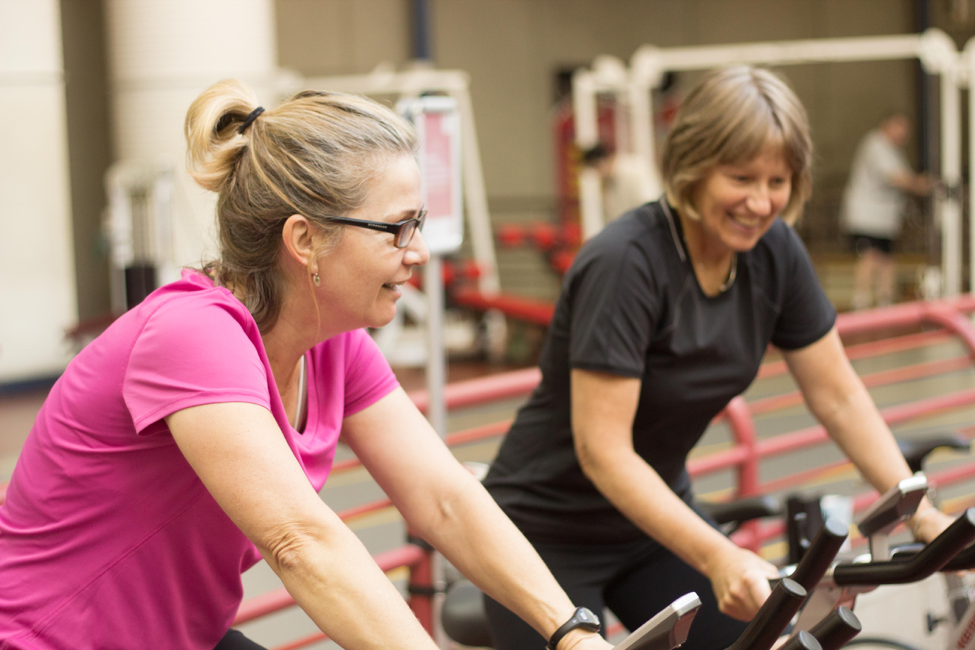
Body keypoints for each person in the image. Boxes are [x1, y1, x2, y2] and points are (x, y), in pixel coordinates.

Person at [0, 80, 614, 650]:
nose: (419, 251)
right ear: (305, 241)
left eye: (418, 224)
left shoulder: (333, 343)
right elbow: (299, 541)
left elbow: (443, 496)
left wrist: (571, 631)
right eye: (398, 228)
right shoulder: (194, 335)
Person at [483, 67, 955, 650]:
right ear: (693, 167)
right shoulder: (626, 263)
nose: (760, 202)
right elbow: (602, 452)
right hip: (542, 532)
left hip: (651, 523)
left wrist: (922, 513)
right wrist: (717, 553)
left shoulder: (774, 251)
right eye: (740, 178)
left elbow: (838, 394)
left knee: (763, 641)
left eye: (778, 181)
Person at [841, 112, 933, 310]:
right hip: (867, 216)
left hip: (884, 218)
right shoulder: (875, 144)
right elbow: (896, 178)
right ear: (887, 124)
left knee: (886, 259)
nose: (904, 133)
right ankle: (861, 302)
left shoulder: (893, 150)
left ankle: (885, 302)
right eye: (900, 126)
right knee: (869, 257)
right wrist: (919, 184)